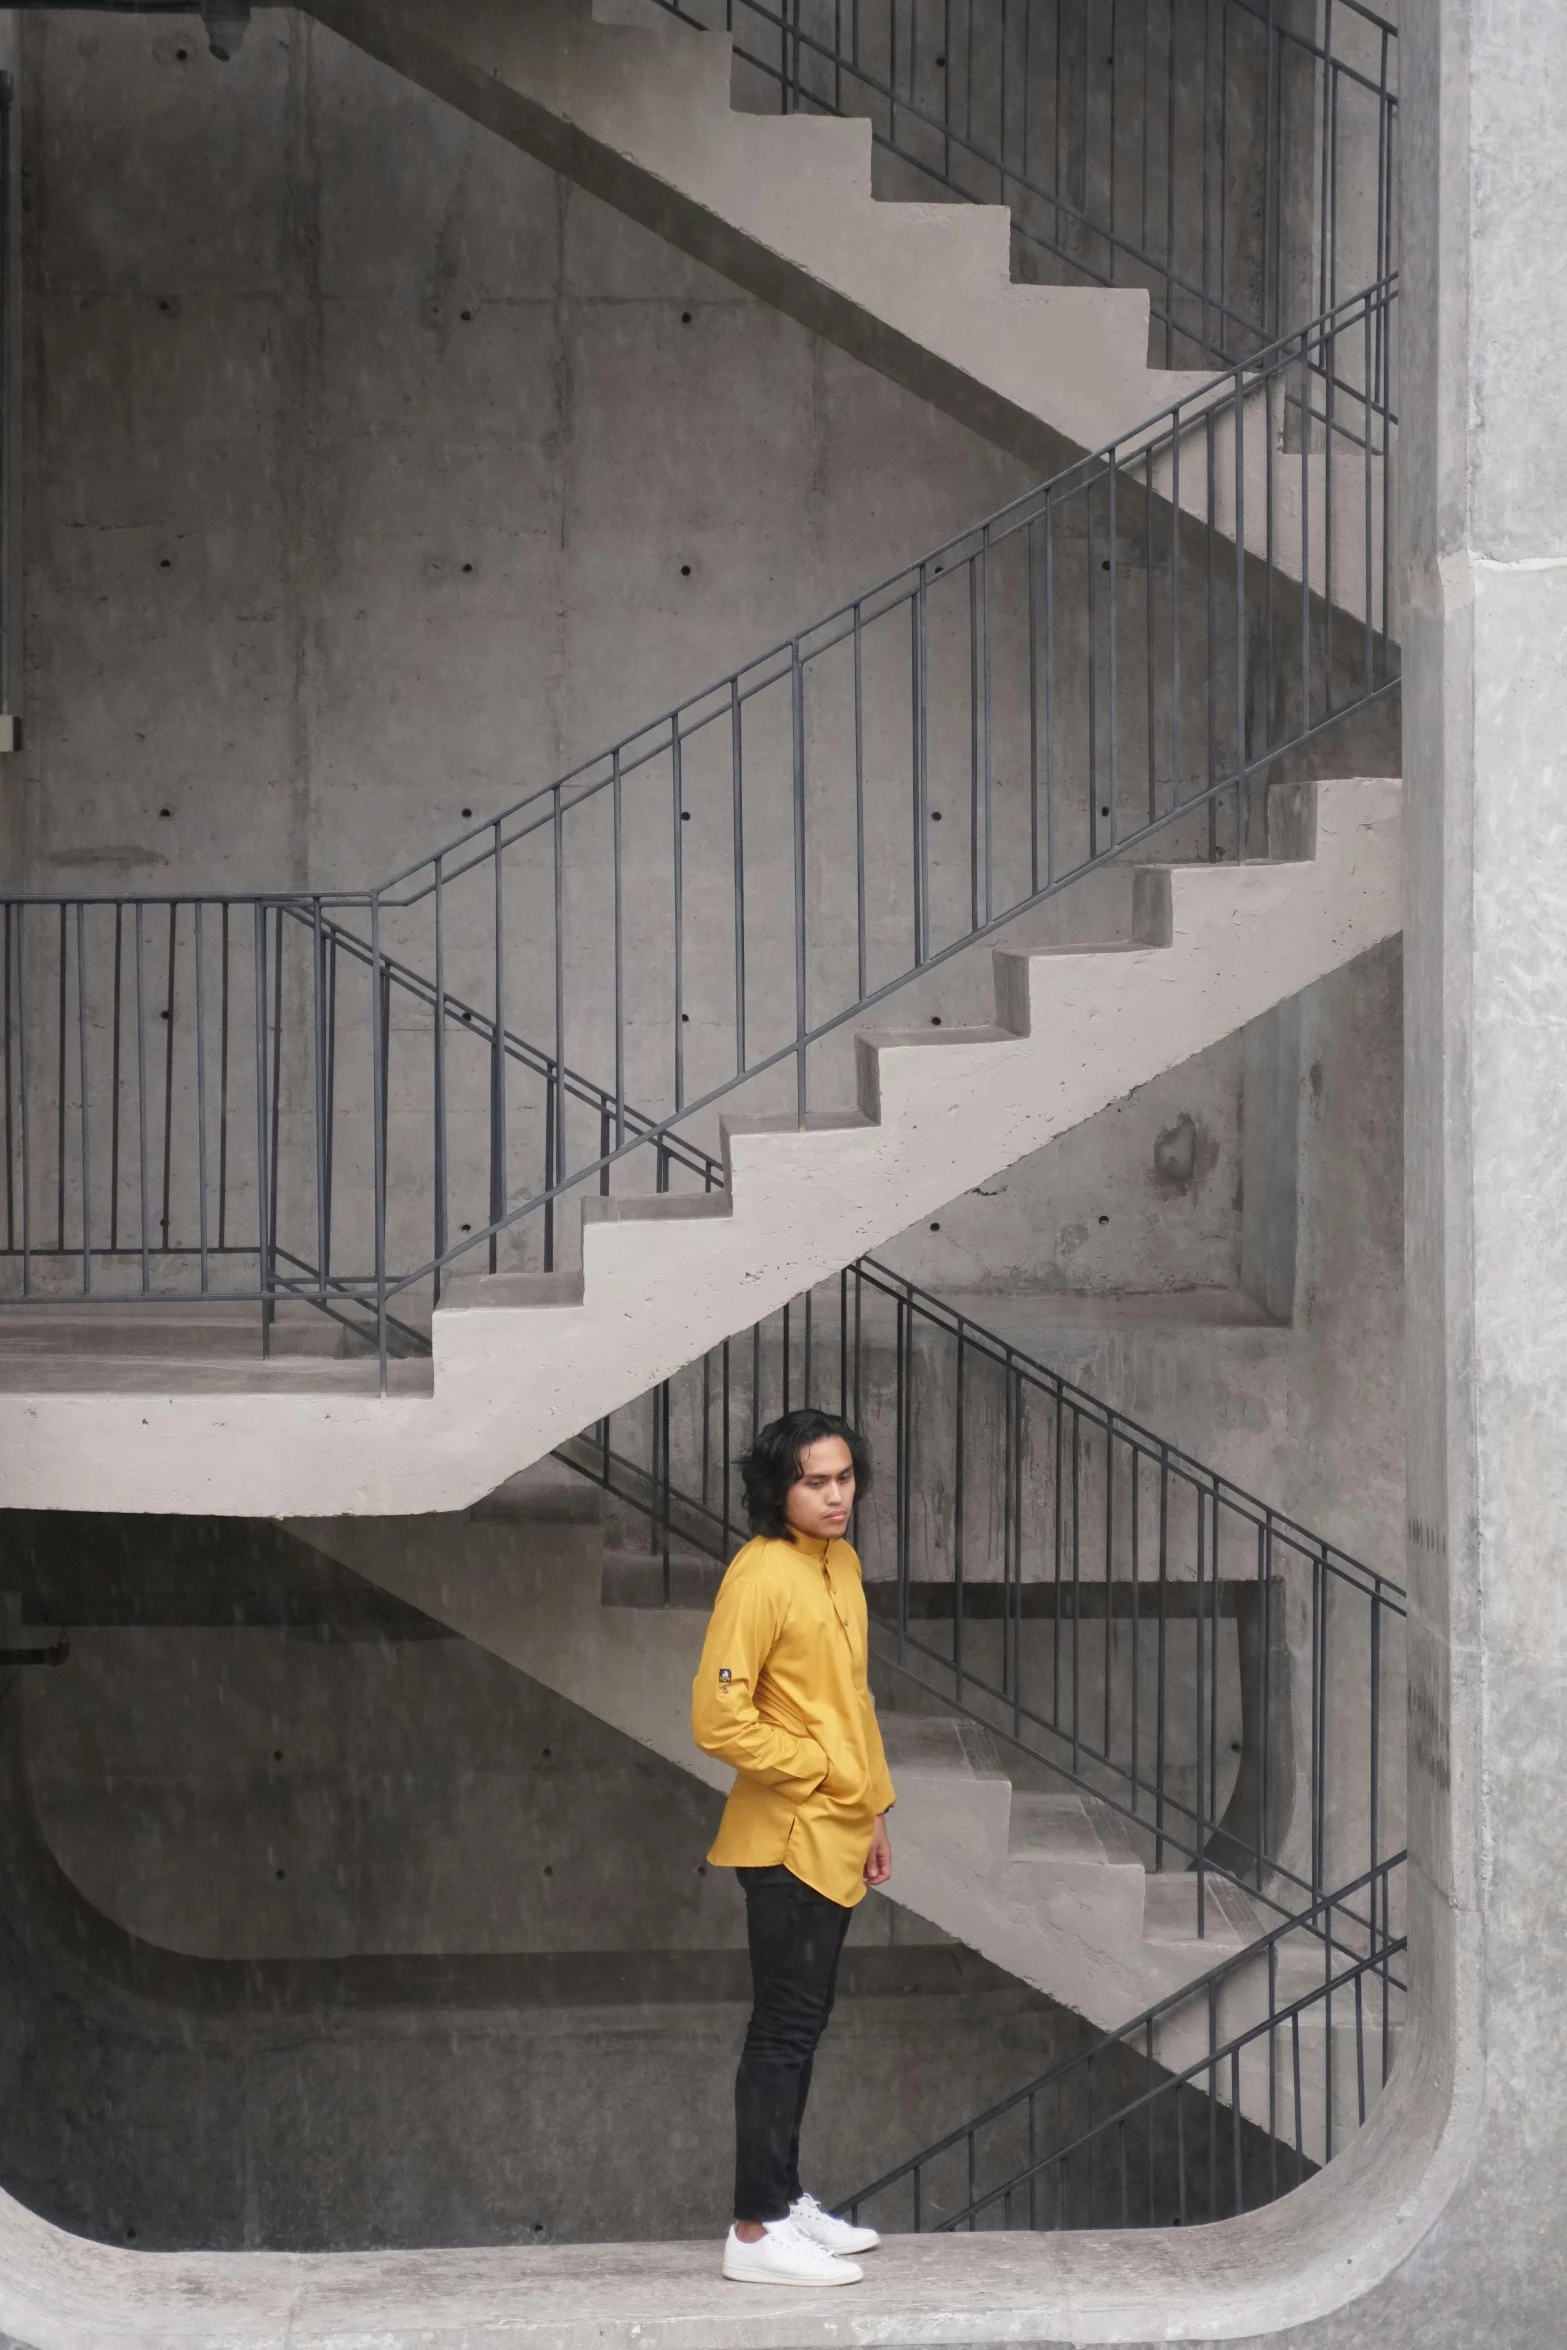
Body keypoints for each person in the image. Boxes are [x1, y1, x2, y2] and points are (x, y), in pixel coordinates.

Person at [691, 1408, 895, 2288]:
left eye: (844, 1477)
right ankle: (754, 2228)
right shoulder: (760, 1574)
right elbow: (716, 1718)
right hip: (782, 1841)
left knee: (804, 2026)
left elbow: (853, 1697)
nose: (835, 1494)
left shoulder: (839, 1564)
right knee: (779, 2031)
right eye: (815, 1480)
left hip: (840, 1829)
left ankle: (785, 2195)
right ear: (779, 1488)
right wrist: (814, 1769)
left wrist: (874, 1807)